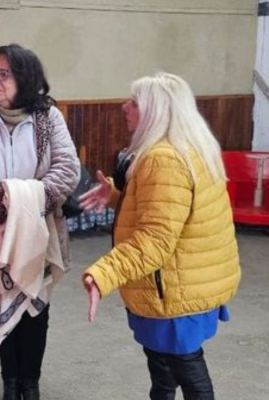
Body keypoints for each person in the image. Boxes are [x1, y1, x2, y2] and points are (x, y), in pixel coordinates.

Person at [80, 72, 241, 400]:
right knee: (164, 369)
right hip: (183, 284)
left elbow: (154, 241)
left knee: (185, 370)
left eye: (134, 102)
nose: (125, 107)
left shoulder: (164, 159)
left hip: (174, 291)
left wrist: (103, 274)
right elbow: (168, 210)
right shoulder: (187, 147)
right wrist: (116, 196)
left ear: (157, 111)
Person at [0, 44, 80, 400]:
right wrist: (8, 203)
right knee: (2, 304)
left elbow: (67, 168)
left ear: (25, 78)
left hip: (40, 231)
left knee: (36, 308)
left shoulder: (48, 118)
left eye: (4, 74)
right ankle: (10, 382)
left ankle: (30, 382)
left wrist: (30, 204)